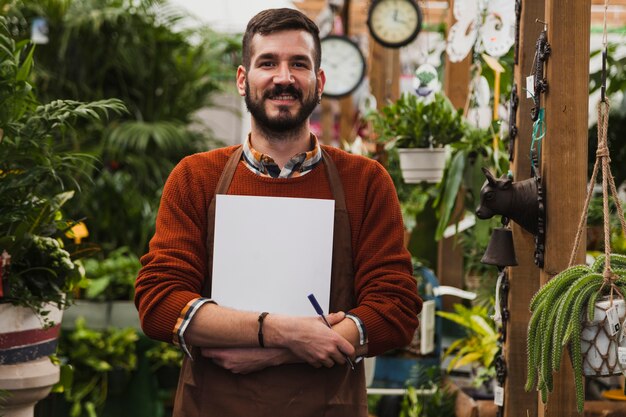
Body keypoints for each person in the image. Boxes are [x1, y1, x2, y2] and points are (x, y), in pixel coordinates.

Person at [135, 8, 421, 417]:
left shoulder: (366, 182)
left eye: (299, 64)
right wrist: (281, 331)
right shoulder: (196, 177)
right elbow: (159, 301)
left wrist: (277, 353)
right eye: (267, 62)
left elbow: (395, 307)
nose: (283, 77)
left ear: (319, 83)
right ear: (242, 79)